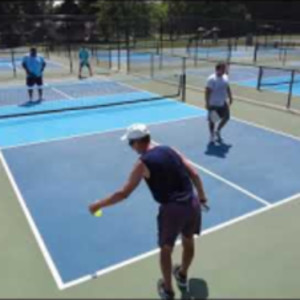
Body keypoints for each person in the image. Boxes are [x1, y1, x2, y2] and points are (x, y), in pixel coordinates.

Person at [89, 124, 208, 300]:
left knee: (166, 250)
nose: (130, 146)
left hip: (172, 210)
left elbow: (123, 193)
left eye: (130, 143)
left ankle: (168, 290)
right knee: (188, 241)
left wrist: (98, 204)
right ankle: (182, 275)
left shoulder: (142, 164)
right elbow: (195, 174)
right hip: (192, 203)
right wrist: (202, 198)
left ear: (137, 143)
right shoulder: (170, 149)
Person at [205, 62, 233, 143]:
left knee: (226, 117)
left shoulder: (225, 77)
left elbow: (227, 87)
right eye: (223, 68)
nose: (225, 70)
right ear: (218, 69)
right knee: (213, 121)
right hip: (213, 104)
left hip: (223, 102)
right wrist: (207, 103)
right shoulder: (211, 79)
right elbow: (207, 92)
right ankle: (212, 135)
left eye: (225, 68)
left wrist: (230, 97)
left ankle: (218, 130)